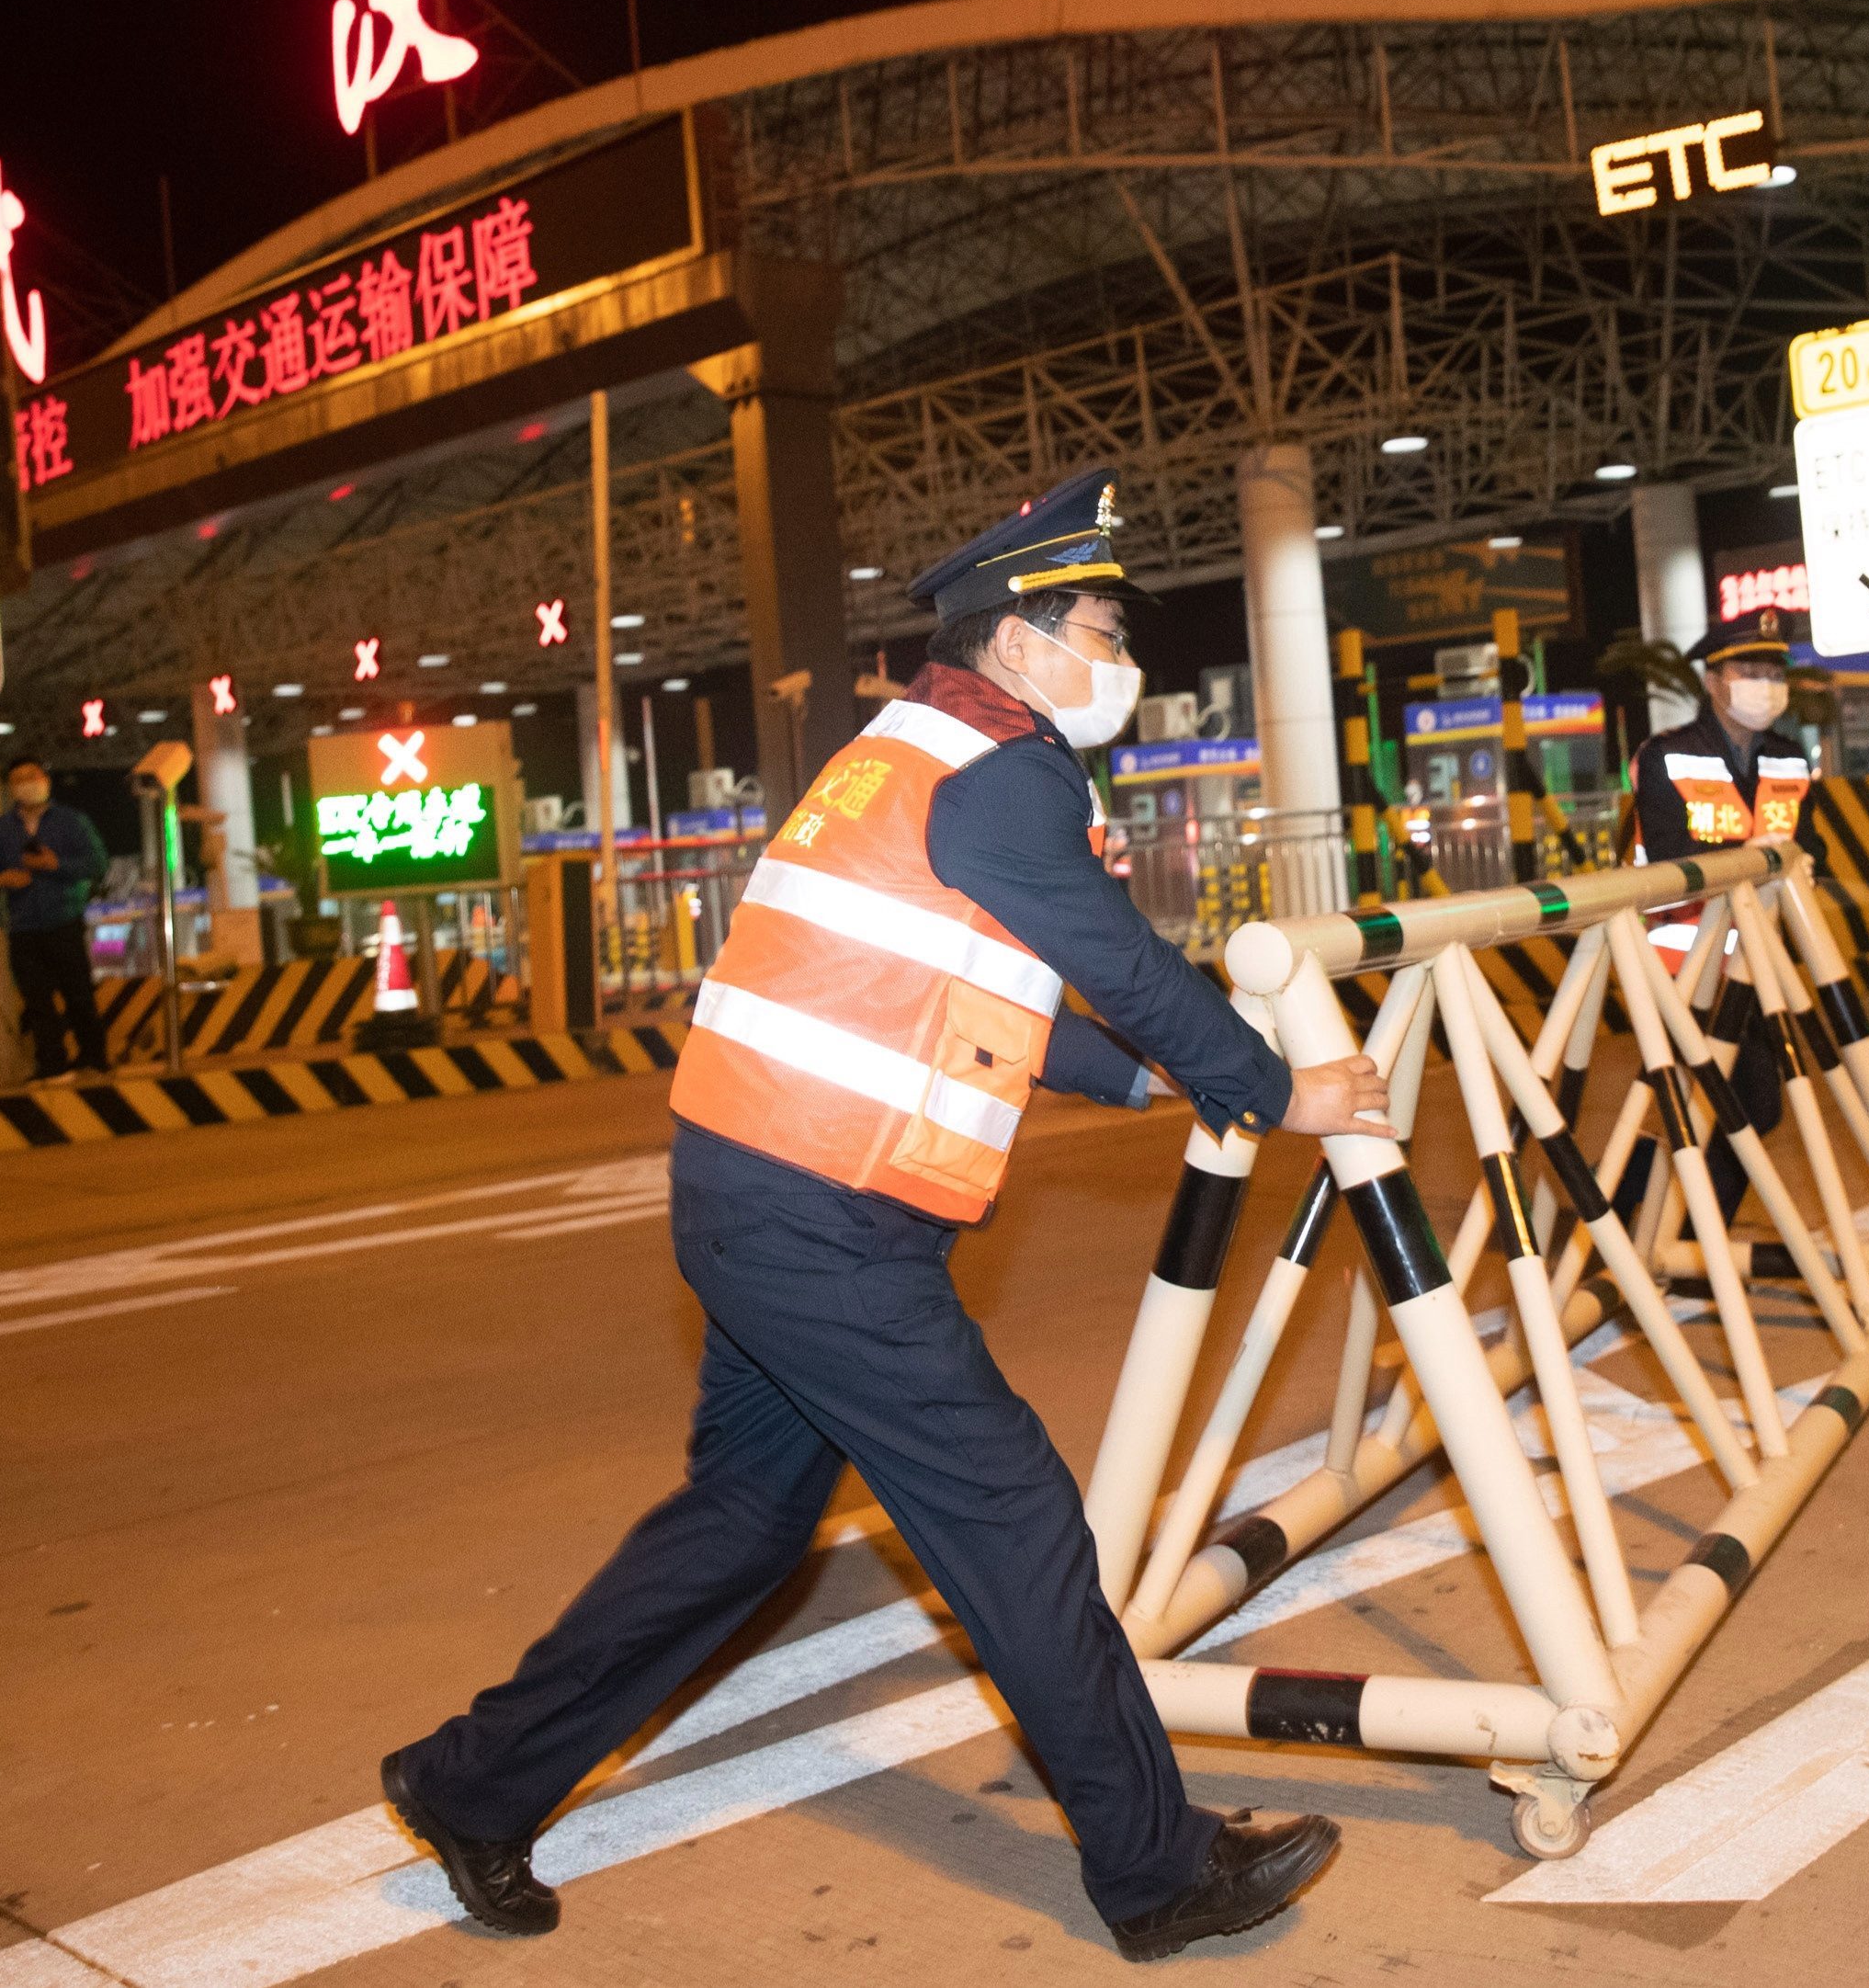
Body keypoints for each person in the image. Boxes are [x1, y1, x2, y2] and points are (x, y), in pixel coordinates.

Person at [381, 469, 1381, 1962]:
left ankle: (471, 1784)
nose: (1125, 662)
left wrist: (1160, 1090)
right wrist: (1267, 1088)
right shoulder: (1003, 769)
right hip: (826, 1226)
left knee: (745, 1523)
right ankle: (1160, 1872)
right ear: (1019, 638)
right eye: (1103, 629)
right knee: (1018, 1522)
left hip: (752, 1194)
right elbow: (1116, 956)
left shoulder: (904, 754)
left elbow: (988, 1003)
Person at [1623, 608, 1825, 1220]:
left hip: (1757, 967)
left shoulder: (1791, 760)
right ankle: (1649, 1233)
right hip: (1683, 967)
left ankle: (1643, 1229)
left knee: (1721, 1108)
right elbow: (1667, 858)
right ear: (1713, 680)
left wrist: (1803, 863)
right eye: (1748, 670)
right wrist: (1748, 861)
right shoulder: (1666, 757)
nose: (1763, 684)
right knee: (1725, 1102)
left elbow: (1810, 845)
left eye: (1773, 671)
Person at [0, 761, 109, 1079]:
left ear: (46, 781)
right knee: (37, 1001)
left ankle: (93, 1058)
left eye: (31, 777)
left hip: (64, 920)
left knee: (78, 994)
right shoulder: (0, 829)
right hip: (22, 927)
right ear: (10, 788)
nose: (25, 785)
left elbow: (97, 863)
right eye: (17, 780)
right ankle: (51, 1064)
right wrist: (0, 879)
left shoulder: (71, 821)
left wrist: (56, 864)